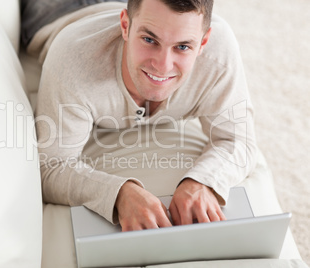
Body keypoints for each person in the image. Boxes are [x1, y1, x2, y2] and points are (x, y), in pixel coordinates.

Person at [24, 0, 257, 231]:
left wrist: (203, 181)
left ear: (204, 41)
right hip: (60, 9)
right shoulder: (73, 59)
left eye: (183, 47)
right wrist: (119, 194)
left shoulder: (218, 54)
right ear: (125, 26)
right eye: (149, 40)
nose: (163, 66)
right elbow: (52, 166)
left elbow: (239, 140)